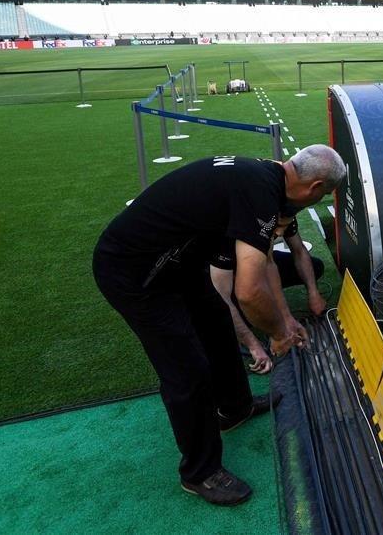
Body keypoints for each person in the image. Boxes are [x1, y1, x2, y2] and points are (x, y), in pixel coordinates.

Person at [92, 145, 346, 506]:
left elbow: (261, 270)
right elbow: (248, 291)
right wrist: (277, 332)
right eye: (321, 196)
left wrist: (282, 321)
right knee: (187, 369)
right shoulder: (262, 192)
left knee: (215, 322)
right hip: (134, 273)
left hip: (178, 262)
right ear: (315, 187)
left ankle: (235, 406)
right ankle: (200, 472)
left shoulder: (265, 177)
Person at [210, 228, 327, 374]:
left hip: (255, 259)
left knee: (315, 267)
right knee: (231, 322)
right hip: (222, 273)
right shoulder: (227, 236)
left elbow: (270, 263)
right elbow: (234, 295)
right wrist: (254, 345)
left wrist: (311, 295)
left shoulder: (275, 215)